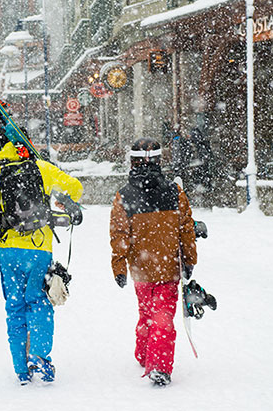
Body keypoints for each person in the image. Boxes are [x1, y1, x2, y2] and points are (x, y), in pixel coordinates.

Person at [0, 131, 83, 385]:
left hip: (8, 251)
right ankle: (39, 354)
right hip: (39, 248)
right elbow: (76, 188)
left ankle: (21, 368)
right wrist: (62, 201)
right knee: (39, 303)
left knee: (15, 307)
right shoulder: (41, 168)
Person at [109, 137, 197, 387]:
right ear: (159, 160)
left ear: (132, 162)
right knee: (163, 317)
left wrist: (119, 267)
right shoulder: (175, 192)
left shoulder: (124, 196)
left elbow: (119, 236)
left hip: (140, 269)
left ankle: (144, 352)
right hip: (168, 267)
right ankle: (158, 364)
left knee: (147, 313)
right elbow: (186, 229)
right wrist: (189, 260)